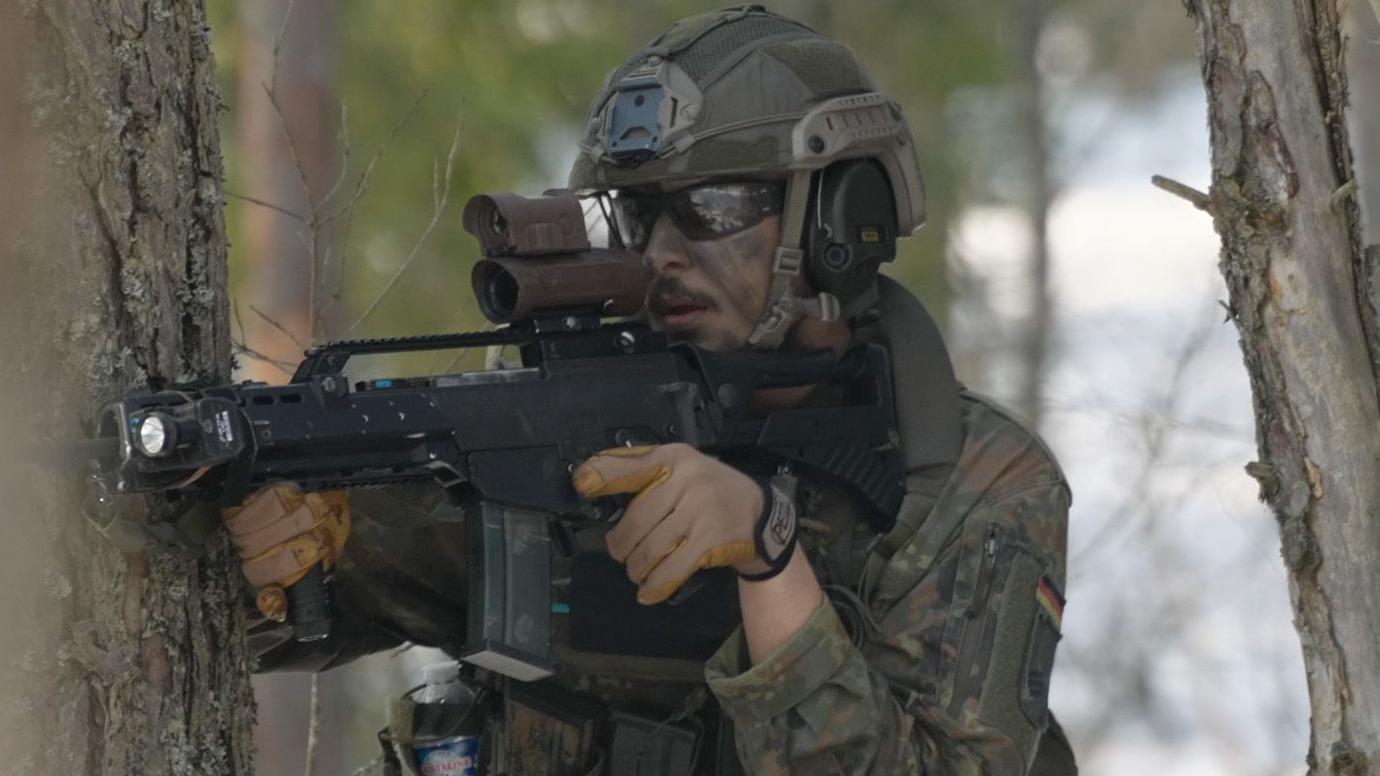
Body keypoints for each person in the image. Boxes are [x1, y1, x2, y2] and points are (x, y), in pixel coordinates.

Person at [228, 7, 1076, 774]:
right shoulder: (563, 419)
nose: (662, 252)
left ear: (836, 217)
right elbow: (297, 600)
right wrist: (291, 550)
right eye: (637, 217)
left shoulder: (967, 484)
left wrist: (766, 549)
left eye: (711, 205)